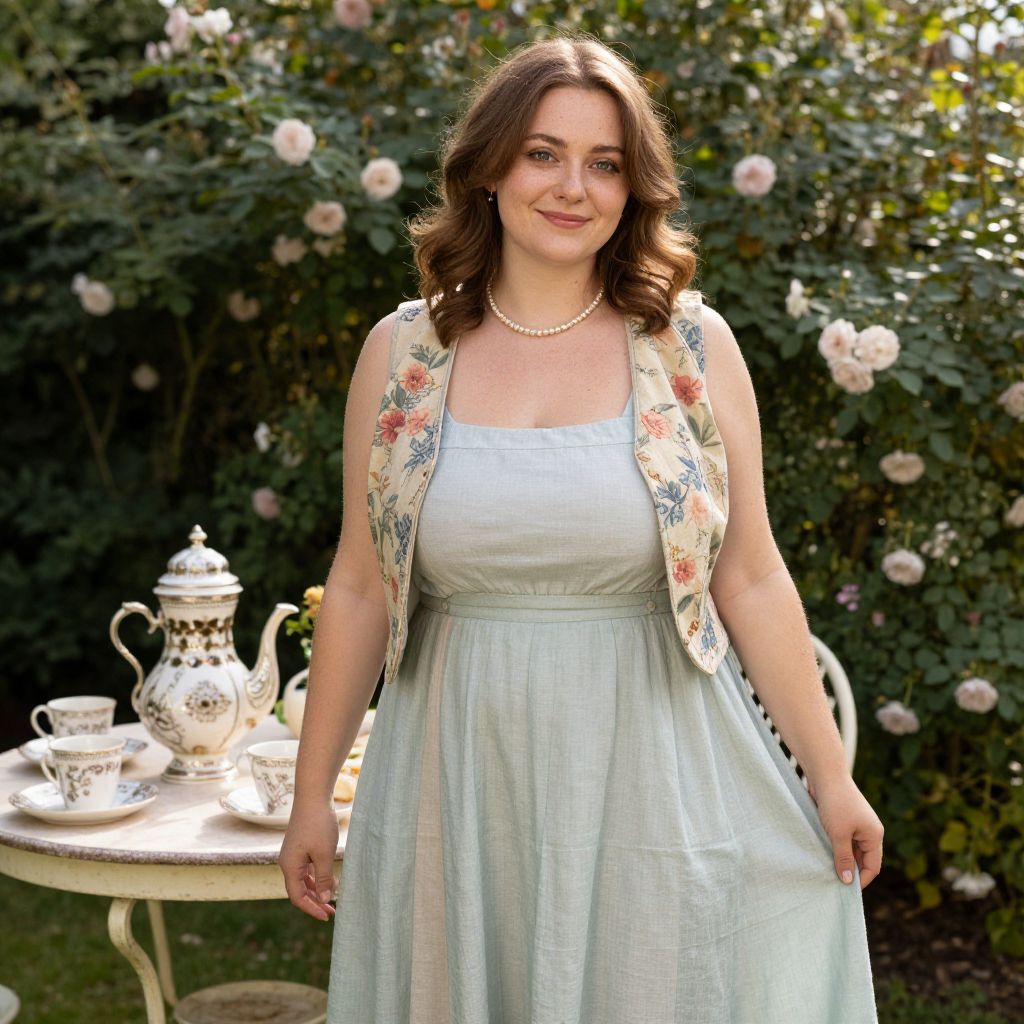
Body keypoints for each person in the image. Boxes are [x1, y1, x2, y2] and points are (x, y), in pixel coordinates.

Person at [279, 31, 884, 1023]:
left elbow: (752, 576)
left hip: (652, 763)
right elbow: (357, 582)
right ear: (489, 170)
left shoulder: (690, 347)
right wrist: (314, 800)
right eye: (543, 153)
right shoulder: (403, 353)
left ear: (632, 187)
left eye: (604, 162)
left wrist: (831, 777)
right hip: (452, 770)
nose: (573, 186)